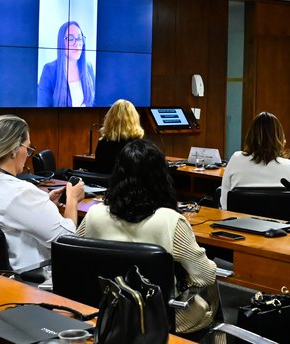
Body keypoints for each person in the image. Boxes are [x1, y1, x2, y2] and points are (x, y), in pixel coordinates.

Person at [78, 139, 218, 335]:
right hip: (164, 319)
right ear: (161, 177)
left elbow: (75, 260)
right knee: (213, 289)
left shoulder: (94, 215)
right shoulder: (172, 222)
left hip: (108, 314)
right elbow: (206, 276)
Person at [0, 115, 84, 270]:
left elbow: (9, 214)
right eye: (28, 148)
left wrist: (44, 203)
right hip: (31, 282)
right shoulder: (21, 192)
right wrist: (73, 198)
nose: (28, 155)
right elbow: (66, 239)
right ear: (14, 150)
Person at [220, 111, 290, 212]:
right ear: (280, 137)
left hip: (239, 226)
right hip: (279, 227)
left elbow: (224, 204)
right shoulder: (289, 166)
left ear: (250, 135)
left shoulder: (236, 159)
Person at [37, 21, 96, 107]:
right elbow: (42, 109)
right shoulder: (49, 70)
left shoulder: (88, 67)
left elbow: (94, 102)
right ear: (61, 43)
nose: (77, 44)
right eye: (70, 39)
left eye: (79, 38)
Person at [94, 99, 145, 172]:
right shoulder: (140, 147)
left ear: (109, 119)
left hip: (106, 183)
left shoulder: (102, 143)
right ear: (135, 119)